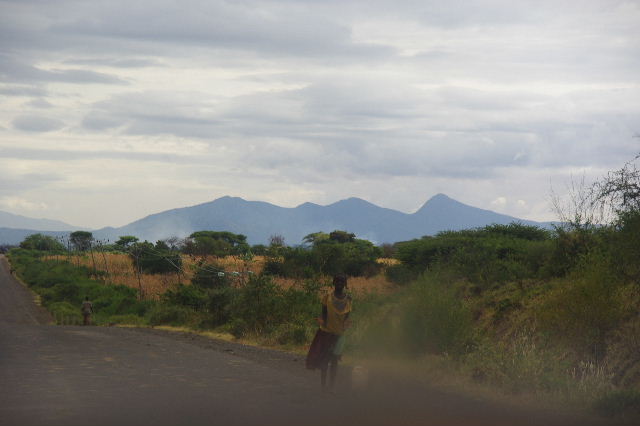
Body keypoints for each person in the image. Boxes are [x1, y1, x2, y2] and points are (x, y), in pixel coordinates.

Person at [306, 274, 352, 392]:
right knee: (324, 360)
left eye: (342, 282)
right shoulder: (327, 297)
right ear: (334, 283)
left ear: (345, 284)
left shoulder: (348, 300)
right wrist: (323, 328)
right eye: (337, 281)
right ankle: (323, 386)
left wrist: (343, 329)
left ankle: (331, 386)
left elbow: (347, 318)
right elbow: (324, 315)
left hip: (340, 335)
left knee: (335, 360)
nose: (339, 284)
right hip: (326, 333)